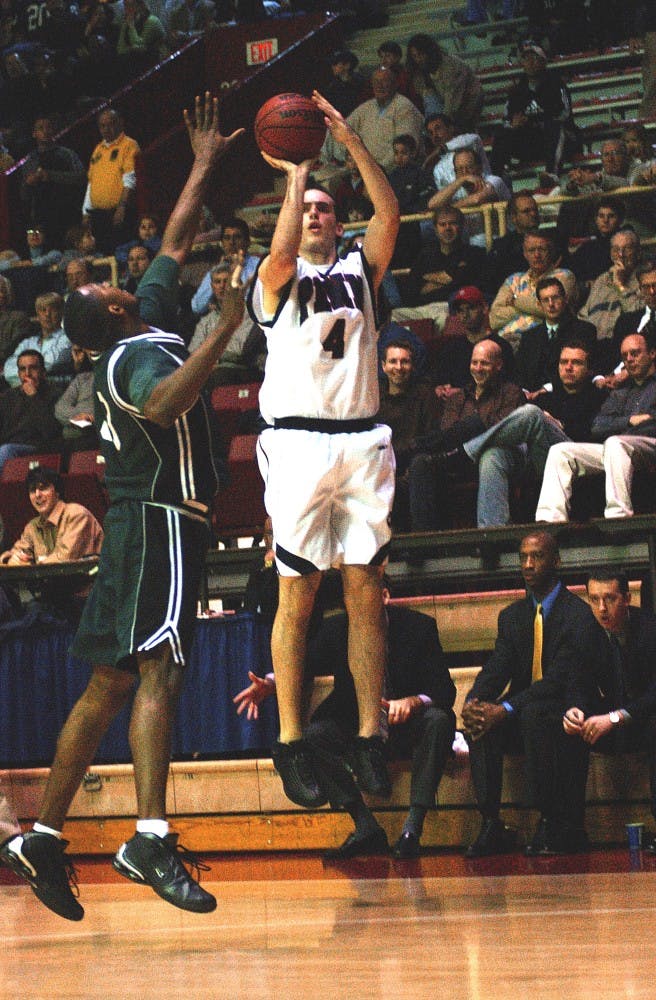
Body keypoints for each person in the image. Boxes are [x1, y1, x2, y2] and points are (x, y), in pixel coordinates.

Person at [0, 93, 245, 921]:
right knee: (161, 668)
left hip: (139, 525)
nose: (118, 280)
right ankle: (148, 836)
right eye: (108, 285)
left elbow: (172, 242)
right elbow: (168, 404)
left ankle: (41, 836)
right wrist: (224, 329)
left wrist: (203, 163)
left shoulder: (147, 318)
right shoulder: (133, 356)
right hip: (163, 519)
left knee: (107, 681)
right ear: (109, 312)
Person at [247, 90, 399, 811]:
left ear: (340, 222)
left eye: (325, 209)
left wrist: (350, 140)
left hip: (363, 439)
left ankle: (371, 736)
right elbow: (281, 250)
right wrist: (297, 174)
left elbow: (389, 215)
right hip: (298, 442)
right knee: (299, 593)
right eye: (307, 208)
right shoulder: (275, 278)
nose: (314, 214)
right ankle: (290, 741)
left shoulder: (362, 271)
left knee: (367, 589)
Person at [235, 584, 456, 860]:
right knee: (314, 736)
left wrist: (415, 701)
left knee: (438, 721)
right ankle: (365, 826)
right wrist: (271, 682)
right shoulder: (337, 627)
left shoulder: (418, 626)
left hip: (406, 726)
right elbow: (305, 663)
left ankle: (412, 829)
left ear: (384, 596)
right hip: (357, 726)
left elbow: (445, 690)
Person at [462, 531, 608, 857]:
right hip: (524, 708)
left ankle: (552, 820)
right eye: (523, 557)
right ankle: (490, 823)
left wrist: (505, 709)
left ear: (556, 561)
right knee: (480, 724)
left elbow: (558, 681)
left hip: (565, 709)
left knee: (533, 716)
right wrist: (475, 701)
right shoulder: (512, 617)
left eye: (537, 556)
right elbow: (497, 667)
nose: (528, 564)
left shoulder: (577, 615)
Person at [409, 341, 557, 529]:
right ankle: (424, 539)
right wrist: (471, 428)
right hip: (459, 463)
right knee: (421, 462)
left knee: (491, 453)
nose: (478, 368)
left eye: (484, 363)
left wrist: (469, 429)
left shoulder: (511, 393)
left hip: (505, 457)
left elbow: (505, 430)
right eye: (474, 362)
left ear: (498, 365)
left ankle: (490, 534)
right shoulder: (458, 398)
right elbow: (449, 433)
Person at [563, 569, 656, 853]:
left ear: (627, 598)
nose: (601, 608)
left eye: (610, 599)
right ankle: (568, 827)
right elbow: (576, 682)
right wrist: (574, 710)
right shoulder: (583, 631)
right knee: (562, 724)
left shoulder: (649, 628)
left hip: (642, 717)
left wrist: (616, 718)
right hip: (608, 719)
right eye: (594, 600)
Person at [536, 332, 656, 521]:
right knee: (561, 451)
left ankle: (618, 518)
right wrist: (629, 420)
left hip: (649, 445)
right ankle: (549, 521)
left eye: (635, 353)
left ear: (652, 353)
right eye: (625, 355)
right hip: (619, 450)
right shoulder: (620, 391)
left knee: (616, 443)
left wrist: (624, 427)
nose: (629, 359)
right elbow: (598, 426)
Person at [0, 464, 103, 612]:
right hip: (54, 598)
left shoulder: (76, 515)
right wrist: (12, 560)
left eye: (43, 488)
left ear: (57, 491)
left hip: (87, 599)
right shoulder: (32, 526)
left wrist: (31, 564)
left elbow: (64, 559)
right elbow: (13, 555)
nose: (37, 495)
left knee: (31, 612)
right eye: (32, 490)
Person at [489, 41, 578, 180]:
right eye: (526, 58)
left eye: (534, 58)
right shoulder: (516, 91)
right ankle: (495, 179)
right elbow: (506, 120)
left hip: (557, 140)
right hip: (531, 142)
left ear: (543, 62)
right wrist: (513, 124)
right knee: (502, 133)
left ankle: (552, 175)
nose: (530, 62)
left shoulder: (557, 85)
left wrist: (541, 122)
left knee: (554, 127)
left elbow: (565, 114)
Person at [377, 338, 441, 530]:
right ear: (383, 366)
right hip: (382, 466)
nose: (399, 367)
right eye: (393, 361)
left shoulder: (425, 395)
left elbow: (432, 438)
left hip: (414, 467)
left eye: (404, 361)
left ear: (412, 365)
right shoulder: (374, 399)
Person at [393, 206, 486, 336]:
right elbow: (411, 291)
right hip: (420, 309)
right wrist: (449, 277)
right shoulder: (425, 256)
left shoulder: (474, 253)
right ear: (436, 229)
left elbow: (462, 285)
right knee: (393, 316)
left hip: (448, 307)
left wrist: (428, 280)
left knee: (445, 319)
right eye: (442, 224)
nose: (447, 228)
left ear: (462, 226)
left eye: (453, 223)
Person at [489, 231, 577, 354]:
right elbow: (494, 318)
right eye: (531, 250)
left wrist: (515, 302)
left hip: (542, 344)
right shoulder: (514, 280)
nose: (537, 255)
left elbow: (551, 308)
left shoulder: (563, 276)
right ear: (525, 254)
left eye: (542, 249)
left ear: (551, 252)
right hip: (504, 341)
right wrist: (528, 309)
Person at [515, 277, 597, 394]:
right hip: (530, 397)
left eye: (555, 298)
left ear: (565, 299)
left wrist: (548, 388)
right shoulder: (529, 337)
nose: (551, 304)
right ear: (539, 305)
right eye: (545, 300)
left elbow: (584, 371)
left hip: (567, 395)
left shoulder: (585, 330)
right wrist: (525, 392)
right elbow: (520, 373)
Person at [432, 284, 515, 391]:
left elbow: (508, 387)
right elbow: (439, 380)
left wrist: (462, 394)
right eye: (460, 311)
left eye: (470, 308)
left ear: (484, 308)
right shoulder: (452, 348)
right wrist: (440, 388)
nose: (465, 315)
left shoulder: (500, 347)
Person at [20, 116, 86, 248]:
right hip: (42, 219)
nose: (45, 131)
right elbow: (24, 196)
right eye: (41, 128)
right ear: (34, 133)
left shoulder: (67, 154)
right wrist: (28, 184)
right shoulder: (30, 161)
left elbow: (81, 178)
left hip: (67, 215)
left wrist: (51, 176)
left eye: (48, 127)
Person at [344, 67, 424, 174]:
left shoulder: (404, 107)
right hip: (364, 170)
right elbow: (344, 127)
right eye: (376, 82)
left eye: (384, 81)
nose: (379, 85)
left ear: (394, 84)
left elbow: (404, 150)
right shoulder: (367, 107)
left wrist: (376, 171)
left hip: (392, 173)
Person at [82, 108, 140, 253]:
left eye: (111, 124)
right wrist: (85, 212)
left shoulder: (129, 145)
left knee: (121, 252)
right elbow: (91, 182)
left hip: (120, 213)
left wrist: (122, 207)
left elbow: (130, 179)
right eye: (103, 126)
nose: (106, 129)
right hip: (98, 216)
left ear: (120, 123)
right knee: (103, 255)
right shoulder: (98, 149)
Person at [427, 148, 510, 248]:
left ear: (480, 168)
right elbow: (432, 204)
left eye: (469, 167)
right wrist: (461, 180)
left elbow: (477, 200)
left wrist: (448, 210)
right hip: (470, 246)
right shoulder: (457, 187)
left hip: (501, 241)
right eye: (459, 169)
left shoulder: (494, 180)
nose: (464, 172)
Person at [0, 349, 63, 474]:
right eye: (22, 369)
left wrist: (34, 397)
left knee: (6, 450)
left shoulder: (55, 394)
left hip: (38, 447)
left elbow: (51, 431)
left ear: (43, 372)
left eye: (33, 368)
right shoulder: (9, 396)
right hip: (8, 445)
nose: (27, 374)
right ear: (18, 374)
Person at [578, 228, 643, 349]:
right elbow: (584, 315)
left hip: (624, 347)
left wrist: (620, 286)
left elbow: (637, 317)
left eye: (627, 249)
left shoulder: (645, 279)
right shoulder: (602, 280)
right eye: (616, 249)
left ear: (638, 253)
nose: (621, 254)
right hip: (593, 346)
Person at [405, 33, 483, 132]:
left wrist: (442, 124)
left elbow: (452, 101)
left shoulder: (451, 65)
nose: (418, 59)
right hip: (444, 105)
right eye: (414, 56)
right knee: (429, 98)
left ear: (429, 52)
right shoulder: (419, 71)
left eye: (420, 55)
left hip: (467, 102)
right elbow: (425, 95)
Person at [190, 217, 260, 317]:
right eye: (227, 238)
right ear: (222, 243)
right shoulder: (217, 270)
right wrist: (218, 272)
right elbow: (197, 307)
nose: (231, 242)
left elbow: (259, 302)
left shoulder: (258, 266)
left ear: (247, 242)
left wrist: (237, 268)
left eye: (237, 237)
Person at [3, 291, 72, 390]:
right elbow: (8, 370)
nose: (47, 314)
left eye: (53, 310)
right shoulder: (28, 342)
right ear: (37, 315)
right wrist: (30, 381)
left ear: (61, 313)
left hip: (55, 392)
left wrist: (24, 375)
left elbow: (52, 362)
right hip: (24, 392)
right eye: (43, 310)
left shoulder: (67, 338)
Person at [54, 343, 98, 453]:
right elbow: (60, 408)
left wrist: (92, 418)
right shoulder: (82, 378)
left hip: (97, 435)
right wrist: (79, 417)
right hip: (70, 437)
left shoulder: (113, 376)